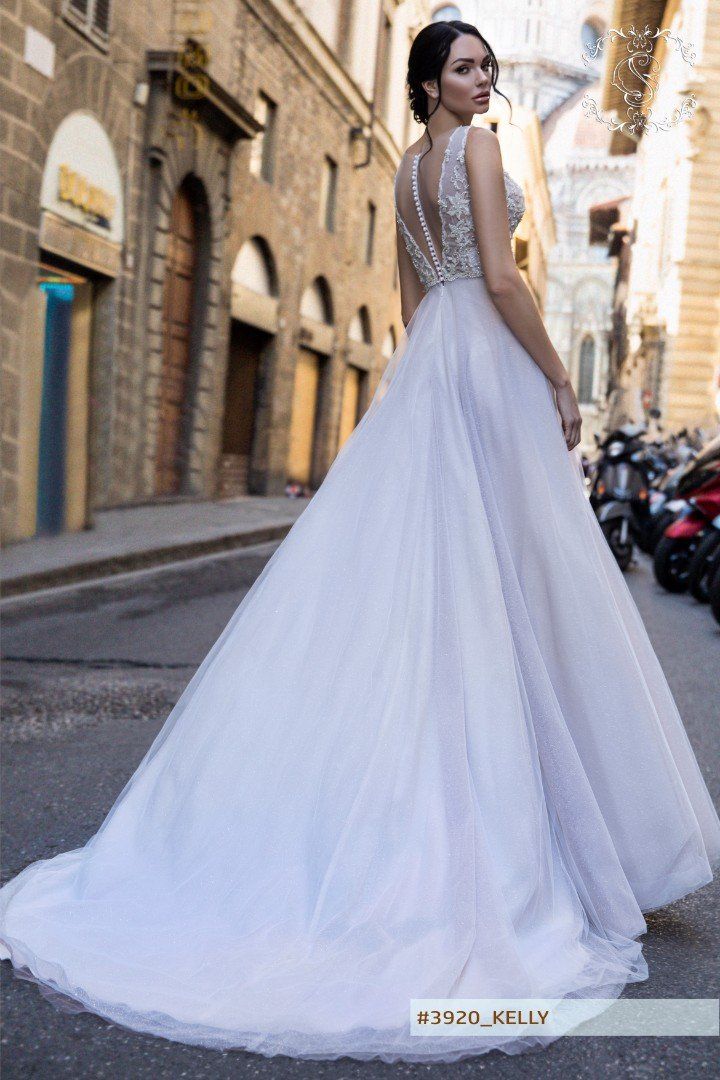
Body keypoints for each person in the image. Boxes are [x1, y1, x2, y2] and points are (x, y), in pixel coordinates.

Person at [1, 20, 719, 1065]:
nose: (485, 84)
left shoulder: (402, 165)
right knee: (521, 585)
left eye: (487, 68)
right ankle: (553, 836)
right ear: (431, 81)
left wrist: (432, 366)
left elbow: (412, 294)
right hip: (491, 362)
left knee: (440, 583)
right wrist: (558, 378)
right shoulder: (473, 151)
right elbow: (506, 280)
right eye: (467, 69)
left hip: (436, 363)